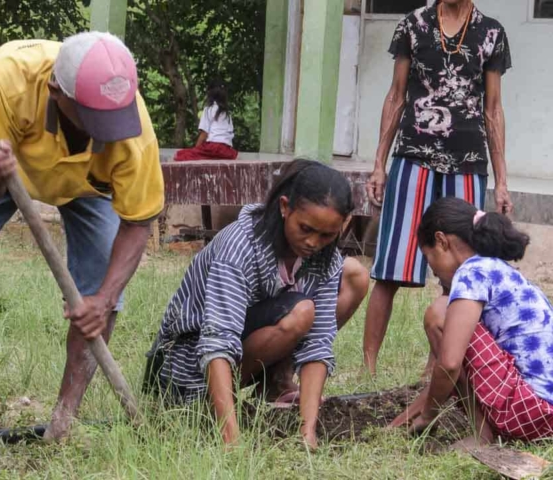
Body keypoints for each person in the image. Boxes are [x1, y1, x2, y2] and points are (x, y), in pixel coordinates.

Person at [0, 32, 164, 440]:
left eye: (112, 119)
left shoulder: (132, 131)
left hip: (89, 185)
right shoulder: (5, 79)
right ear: (56, 92)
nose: (107, 131)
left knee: (103, 286)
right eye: (94, 118)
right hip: (0, 166)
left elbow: (138, 222)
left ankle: (64, 418)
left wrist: (101, 300)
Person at [143, 159, 369, 448]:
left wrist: (307, 433)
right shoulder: (240, 246)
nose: (314, 242)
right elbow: (217, 342)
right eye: (306, 229)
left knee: (307, 312)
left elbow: (317, 346)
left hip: (238, 356)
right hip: (183, 370)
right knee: (300, 312)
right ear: (284, 207)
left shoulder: (326, 260)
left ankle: (272, 386)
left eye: (327, 235)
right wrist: (231, 440)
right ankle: (208, 408)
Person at [363, 0, 513, 376]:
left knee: (460, 271)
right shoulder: (412, 26)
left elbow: (493, 109)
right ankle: (368, 368)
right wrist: (379, 164)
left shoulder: (491, 32)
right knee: (390, 265)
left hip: (467, 162)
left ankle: (436, 371)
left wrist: (502, 180)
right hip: (412, 156)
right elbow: (396, 96)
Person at [393, 197, 553, 447]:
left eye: (428, 257)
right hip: (545, 416)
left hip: (529, 412)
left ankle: (482, 435)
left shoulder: (471, 273)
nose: (433, 271)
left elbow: (449, 363)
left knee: (439, 313)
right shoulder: (496, 269)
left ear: (441, 241)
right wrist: (414, 410)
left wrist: (427, 417)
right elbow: (460, 370)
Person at [174, 79, 238, 161]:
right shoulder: (227, 114)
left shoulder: (208, 110)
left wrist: (195, 149)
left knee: (180, 155)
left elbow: (204, 134)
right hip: (226, 150)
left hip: (213, 147)